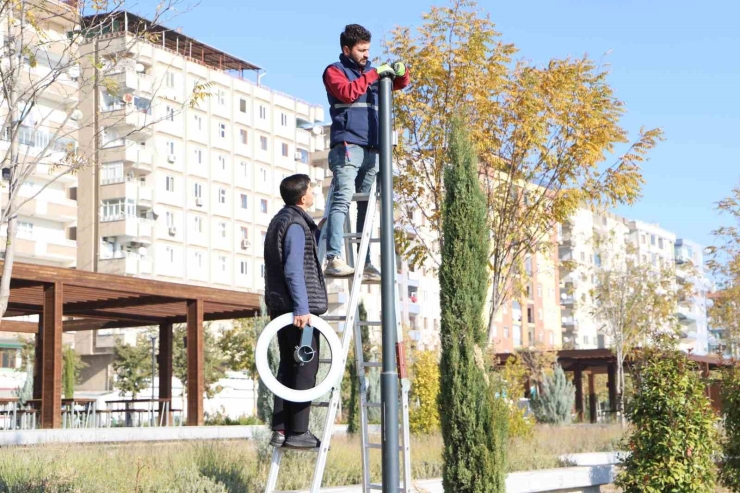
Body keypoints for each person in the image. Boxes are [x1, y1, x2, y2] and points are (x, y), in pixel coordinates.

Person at [322, 23, 411, 280]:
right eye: (361, 50)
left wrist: (401, 74)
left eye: (368, 50)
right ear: (346, 49)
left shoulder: (371, 73)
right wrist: (373, 75)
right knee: (343, 198)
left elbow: (398, 85)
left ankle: (365, 261)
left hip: (373, 148)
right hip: (348, 146)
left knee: (366, 208)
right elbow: (348, 93)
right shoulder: (334, 71)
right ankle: (334, 257)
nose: (366, 55)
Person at [264, 174, 328, 449]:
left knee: (288, 368)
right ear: (303, 197)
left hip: (282, 307)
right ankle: (299, 432)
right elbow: (293, 268)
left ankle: (280, 430)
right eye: (312, 189)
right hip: (296, 312)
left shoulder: (282, 220)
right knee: (305, 367)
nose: (314, 192)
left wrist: (320, 228)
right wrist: (302, 308)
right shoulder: (296, 226)